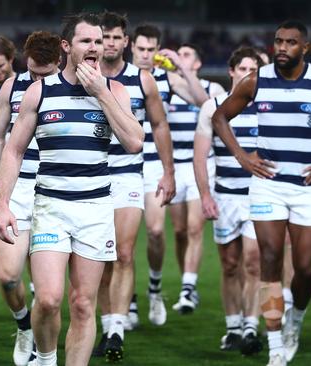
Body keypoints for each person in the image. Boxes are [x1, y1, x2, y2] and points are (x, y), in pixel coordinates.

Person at [211, 21, 311, 366]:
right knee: (269, 260)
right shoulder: (257, 80)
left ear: (305, 48)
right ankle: (274, 349)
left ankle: (295, 322)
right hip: (267, 185)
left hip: (308, 189)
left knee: (305, 269)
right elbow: (220, 116)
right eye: (278, 41)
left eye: (290, 43)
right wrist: (242, 156)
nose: (282, 47)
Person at [0, 13, 143, 366]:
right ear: (67, 47)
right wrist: (2, 205)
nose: (96, 47)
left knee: (82, 303)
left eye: (99, 40)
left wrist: (101, 94)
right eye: (86, 41)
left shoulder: (115, 90)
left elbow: (134, 142)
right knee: (47, 298)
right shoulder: (40, 91)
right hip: (51, 207)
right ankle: (45, 359)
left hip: (95, 209)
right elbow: (13, 150)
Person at [92, 13, 174, 360]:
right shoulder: (85, 77)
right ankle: (107, 321)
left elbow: (159, 126)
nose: (109, 43)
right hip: (91, 176)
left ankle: (115, 331)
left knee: (124, 253)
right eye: (103, 37)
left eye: (115, 37)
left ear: (126, 41)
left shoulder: (143, 81)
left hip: (127, 174)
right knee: (99, 258)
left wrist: (168, 173)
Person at [0, 30, 61, 365]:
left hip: (57, 192)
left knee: (48, 293)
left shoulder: (74, 87)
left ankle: (44, 352)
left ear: (60, 61)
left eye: (46, 73)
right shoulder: (11, 88)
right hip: (17, 190)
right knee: (9, 276)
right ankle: (24, 326)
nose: (39, 79)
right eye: (34, 71)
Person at [128, 23, 211, 329]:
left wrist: (180, 67)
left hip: (151, 165)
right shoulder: (117, 76)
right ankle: (130, 302)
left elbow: (203, 101)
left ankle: (154, 287)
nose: (146, 55)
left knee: (154, 232)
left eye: (151, 49)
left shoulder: (166, 77)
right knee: (121, 243)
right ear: (130, 47)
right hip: (120, 164)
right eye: (141, 49)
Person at [193, 46, 264, 355]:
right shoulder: (213, 107)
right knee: (230, 264)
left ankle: (251, 326)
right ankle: (233, 326)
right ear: (232, 71)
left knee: (253, 260)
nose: (248, 74)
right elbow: (200, 156)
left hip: (259, 196)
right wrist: (205, 195)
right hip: (225, 197)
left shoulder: (266, 106)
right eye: (243, 68)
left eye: (254, 69)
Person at [157, 43, 226, 315]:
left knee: (196, 228)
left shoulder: (213, 90)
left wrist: (182, 71)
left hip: (201, 166)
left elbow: (208, 108)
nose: (179, 58)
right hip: (175, 166)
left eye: (186, 55)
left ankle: (188, 287)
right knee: (180, 231)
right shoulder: (167, 88)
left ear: (196, 64)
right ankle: (188, 281)